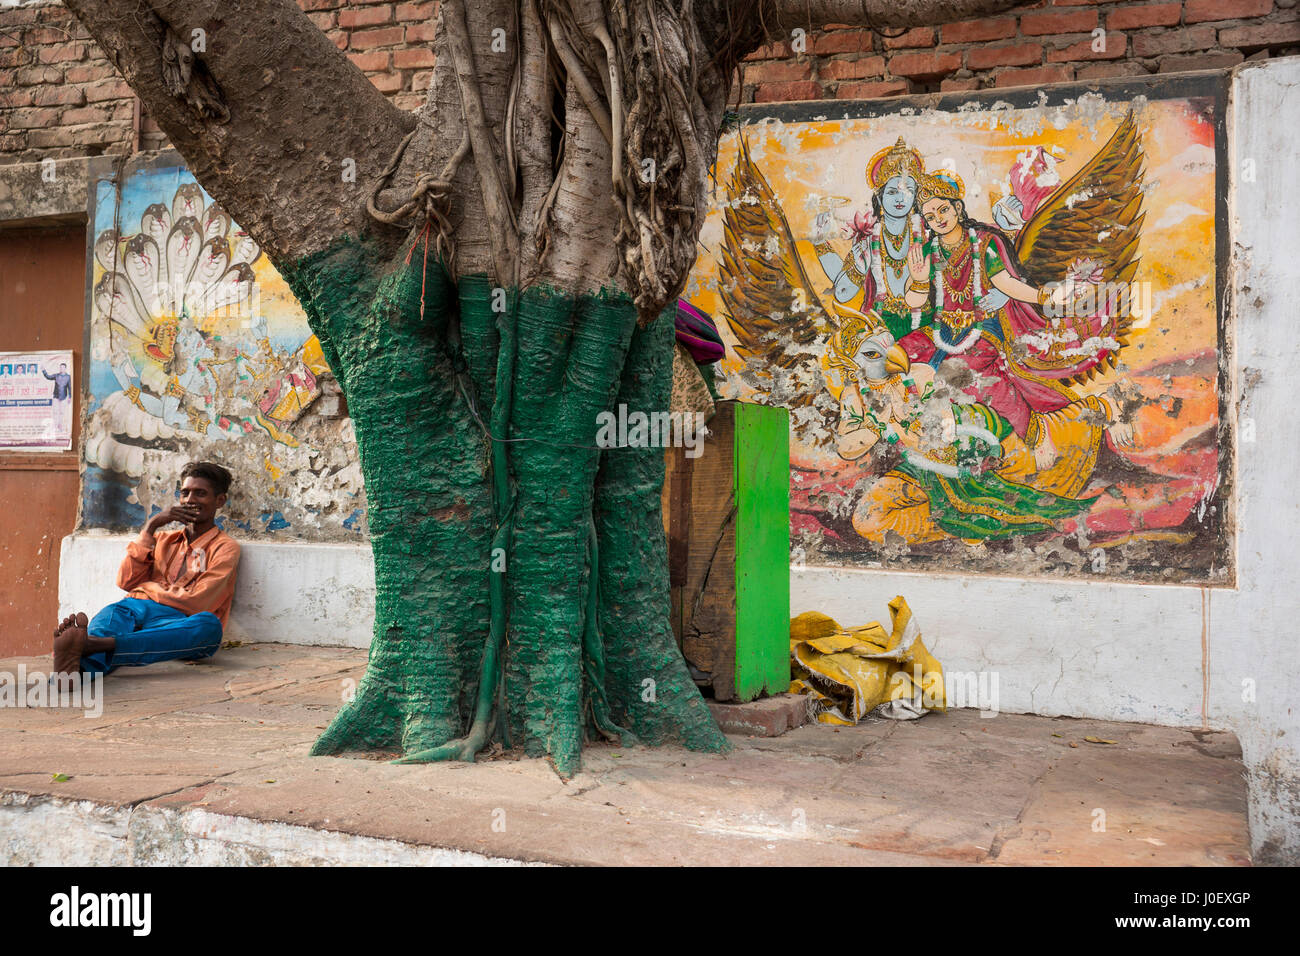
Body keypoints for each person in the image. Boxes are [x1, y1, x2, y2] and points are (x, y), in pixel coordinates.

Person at [51, 461, 240, 676]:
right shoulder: (161, 538)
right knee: (110, 617)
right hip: (132, 610)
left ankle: (95, 647)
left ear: (220, 500)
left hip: (174, 624)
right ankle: (75, 672)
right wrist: (151, 526)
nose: (190, 500)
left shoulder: (225, 548)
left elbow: (197, 602)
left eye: (200, 493)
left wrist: (147, 588)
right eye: (185, 493)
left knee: (208, 627)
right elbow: (126, 581)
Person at [813, 137, 933, 342]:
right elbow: (842, 293)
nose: (900, 198)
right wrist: (821, 242)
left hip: (924, 324)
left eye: (908, 191)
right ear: (879, 197)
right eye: (893, 191)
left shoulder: (928, 234)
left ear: (915, 196)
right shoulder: (869, 240)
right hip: (879, 326)